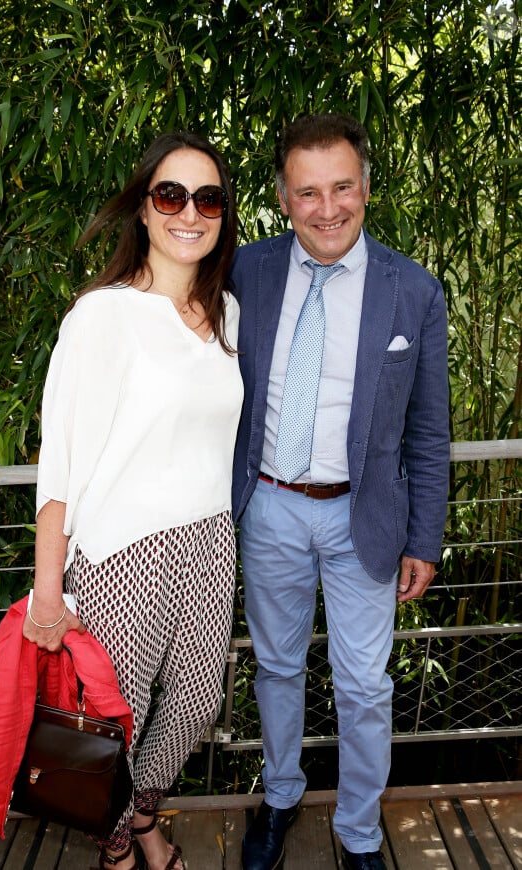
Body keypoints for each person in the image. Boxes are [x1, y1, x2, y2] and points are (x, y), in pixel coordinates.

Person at [231, 114, 450, 870]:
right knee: (278, 668)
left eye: (343, 186)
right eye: (308, 192)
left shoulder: (413, 291)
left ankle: (359, 832)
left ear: (366, 187)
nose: (328, 208)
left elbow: (428, 430)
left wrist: (425, 537)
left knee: (364, 686)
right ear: (285, 199)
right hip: (267, 507)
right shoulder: (245, 271)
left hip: (367, 516)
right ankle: (282, 796)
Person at [23, 131, 243, 870]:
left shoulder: (228, 317)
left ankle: (137, 813)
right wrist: (47, 592)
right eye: (170, 194)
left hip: (212, 541)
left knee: (197, 704)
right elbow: (61, 463)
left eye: (207, 197)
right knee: (118, 717)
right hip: (123, 550)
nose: (190, 212)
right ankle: (122, 841)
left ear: (223, 214)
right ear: (144, 210)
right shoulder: (101, 316)